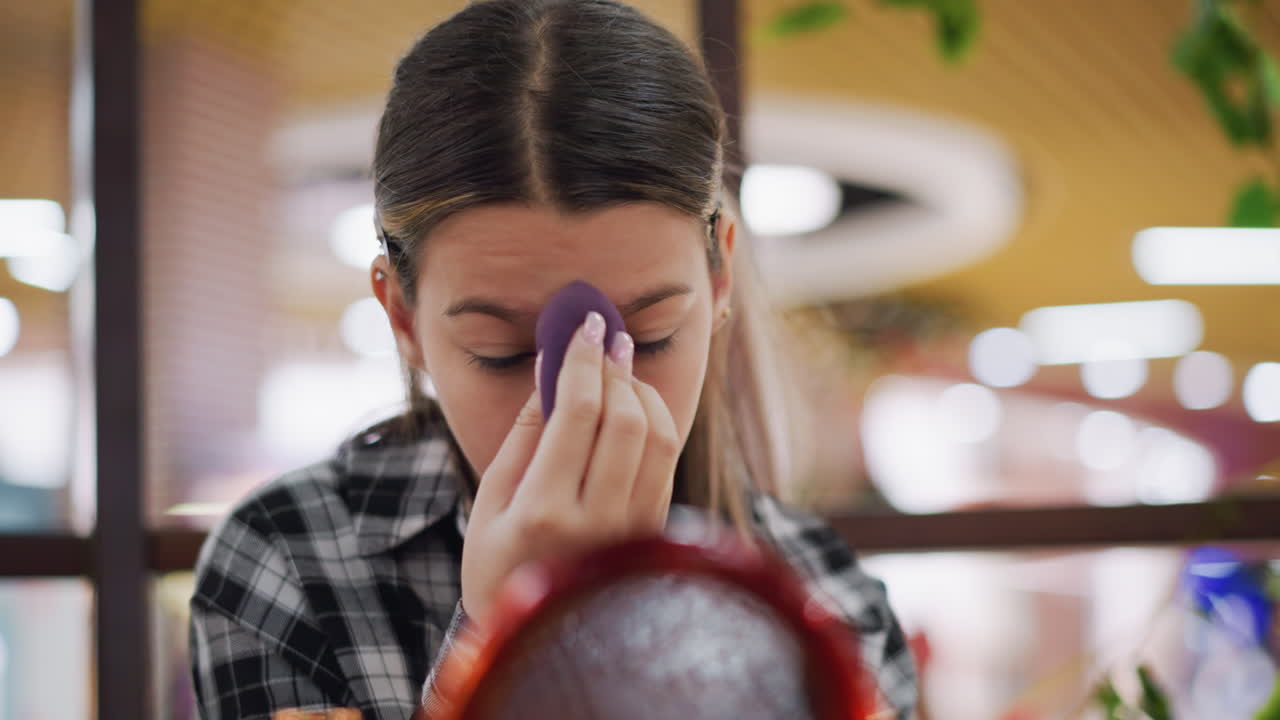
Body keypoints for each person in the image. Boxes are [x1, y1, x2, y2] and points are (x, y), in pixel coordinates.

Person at [188, 1, 918, 718]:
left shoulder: (829, 604)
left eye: (651, 334)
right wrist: (510, 636)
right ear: (402, 316)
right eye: (502, 353)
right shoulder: (288, 563)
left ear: (720, 279)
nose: (581, 398)